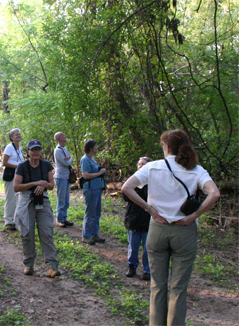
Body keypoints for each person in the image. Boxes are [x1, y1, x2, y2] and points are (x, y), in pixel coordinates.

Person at [121, 130, 220, 326]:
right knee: (178, 288)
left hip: (158, 228)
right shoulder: (197, 170)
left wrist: (148, 208)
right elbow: (214, 194)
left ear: (166, 147)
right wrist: (194, 215)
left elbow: (126, 187)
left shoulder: (152, 167)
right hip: (185, 230)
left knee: (157, 286)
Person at [14, 140, 60, 278]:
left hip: (42, 199)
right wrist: (35, 183)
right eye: (33, 150)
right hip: (26, 199)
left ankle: (52, 266)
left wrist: (44, 184)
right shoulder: (22, 166)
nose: (36, 152)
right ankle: (29, 264)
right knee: (27, 233)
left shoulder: (45, 165)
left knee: (46, 232)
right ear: (28, 152)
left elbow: (52, 185)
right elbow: (16, 187)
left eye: (38, 149)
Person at [123, 156, 152, 281]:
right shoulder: (132, 181)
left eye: (143, 164)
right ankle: (132, 267)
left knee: (148, 248)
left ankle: (147, 270)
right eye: (139, 164)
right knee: (133, 247)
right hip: (133, 219)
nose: (140, 166)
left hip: (148, 220)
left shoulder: (153, 182)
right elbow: (125, 196)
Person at [80, 139, 107, 245]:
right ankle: (86, 236)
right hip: (90, 189)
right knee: (90, 212)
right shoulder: (85, 159)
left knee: (97, 213)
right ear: (91, 148)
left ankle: (94, 234)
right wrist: (100, 173)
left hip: (97, 188)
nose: (97, 148)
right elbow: (85, 175)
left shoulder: (92, 158)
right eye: (96, 146)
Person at [1, 128, 24, 231]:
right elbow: (4, 163)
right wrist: (18, 167)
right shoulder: (9, 148)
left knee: (18, 198)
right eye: (16, 135)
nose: (18, 136)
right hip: (10, 176)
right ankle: (8, 221)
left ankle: (15, 220)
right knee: (10, 198)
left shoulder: (19, 148)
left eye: (19, 134)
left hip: (18, 176)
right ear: (11, 137)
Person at [53, 131, 75, 228]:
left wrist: (69, 159)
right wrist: (69, 159)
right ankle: (59, 220)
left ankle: (64, 218)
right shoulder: (57, 151)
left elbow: (69, 158)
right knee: (61, 199)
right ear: (58, 139)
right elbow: (67, 162)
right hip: (60, 177)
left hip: (66, 177)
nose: (65, 136)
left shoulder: (64, 149)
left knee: (66, 200)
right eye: (62, 136)